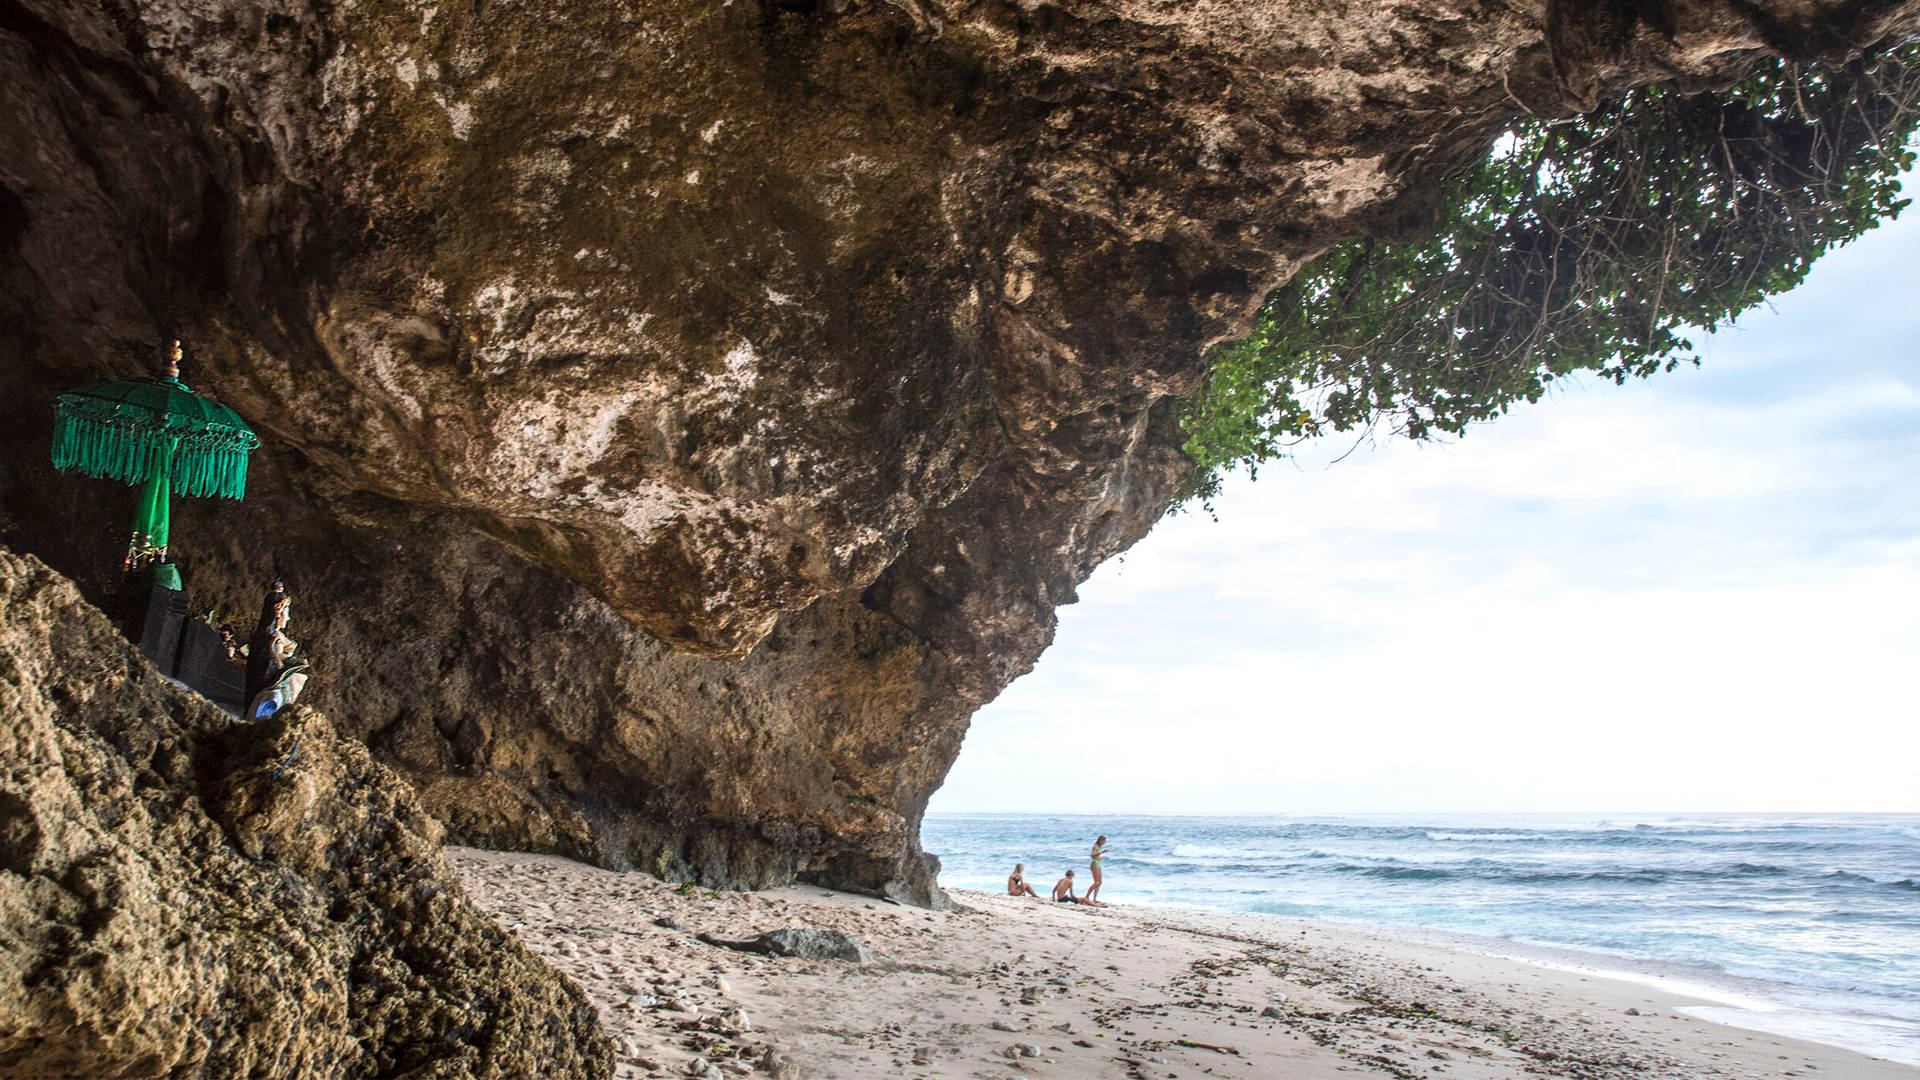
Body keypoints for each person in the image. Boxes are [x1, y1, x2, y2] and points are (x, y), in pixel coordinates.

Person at [1087, 834, 1111, 904]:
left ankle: (1094, 899)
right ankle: (1087, 897)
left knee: (1099, 882)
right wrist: (1101, 852)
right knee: (1096, 882)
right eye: (1104, 841)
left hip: (1098, 863)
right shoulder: (1096, 846)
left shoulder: (1099, 847)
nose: (1104, 843)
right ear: (1100, 840)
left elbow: (1096, 855)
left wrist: (1100, 856)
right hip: (1094, 863)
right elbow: (1092, 855)